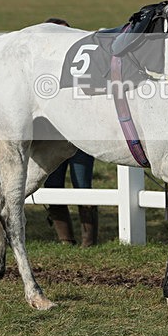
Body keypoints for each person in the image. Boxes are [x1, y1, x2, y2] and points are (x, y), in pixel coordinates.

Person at [42, 17, 98, 246]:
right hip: (52, 139)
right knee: (52, 185)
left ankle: (89, 241)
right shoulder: (42, 72)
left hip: (79, 138)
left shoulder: (83, 70)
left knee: (82, 184)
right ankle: (65, 238)